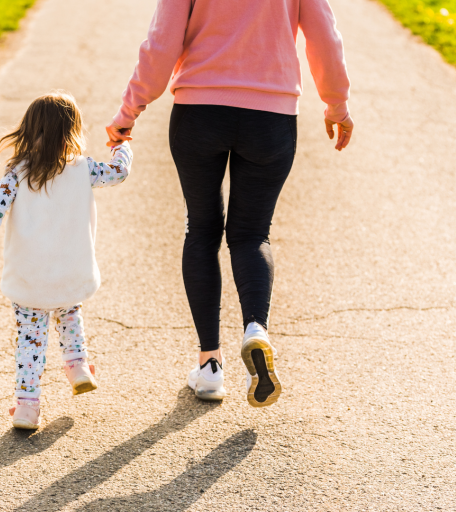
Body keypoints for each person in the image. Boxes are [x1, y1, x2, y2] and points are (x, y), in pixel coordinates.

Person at [106, 0, 354, 407]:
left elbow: (162, 42)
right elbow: (324, 35)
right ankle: (256, 328)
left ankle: (209, 368)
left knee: (202, 229)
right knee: (251, 232)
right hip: (271, 119)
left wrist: (129, 110)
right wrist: (337, 103)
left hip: (199, 112)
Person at [0, 91, 133, 429]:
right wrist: (122, 145)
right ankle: (78, 366)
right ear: (72, 132)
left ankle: (27, 407)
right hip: (70, 271)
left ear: (29, 131)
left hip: (29, 276)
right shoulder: (84, 169)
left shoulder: (17, 173)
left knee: (31, 337)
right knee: (70, 315)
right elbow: (118, 171)